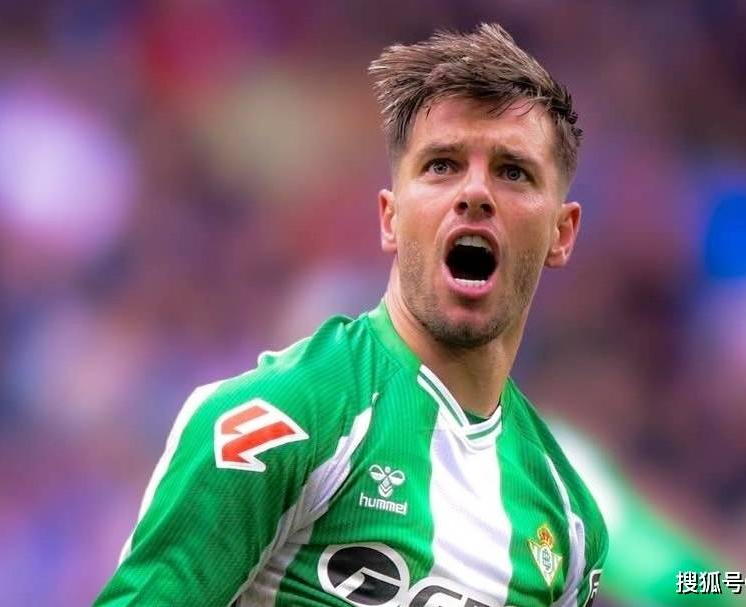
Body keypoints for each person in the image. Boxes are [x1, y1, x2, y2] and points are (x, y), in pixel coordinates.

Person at [95, 23, 607, 607]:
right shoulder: (284, 418)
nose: (475, 193)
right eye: (441, 165)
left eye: (513, 171)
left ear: (561, 233)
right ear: (391, 218)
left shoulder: (567, 519)